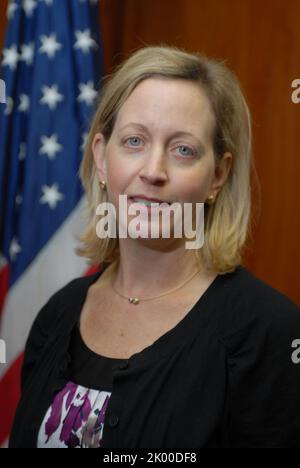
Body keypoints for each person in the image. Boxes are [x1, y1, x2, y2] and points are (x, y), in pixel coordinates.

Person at [9, 45, 300, 448]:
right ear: (101, 158)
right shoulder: (58, 314)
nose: (153, 171)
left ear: (218, 174)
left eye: (183, 150)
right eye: (134, 141)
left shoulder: (268, 331)